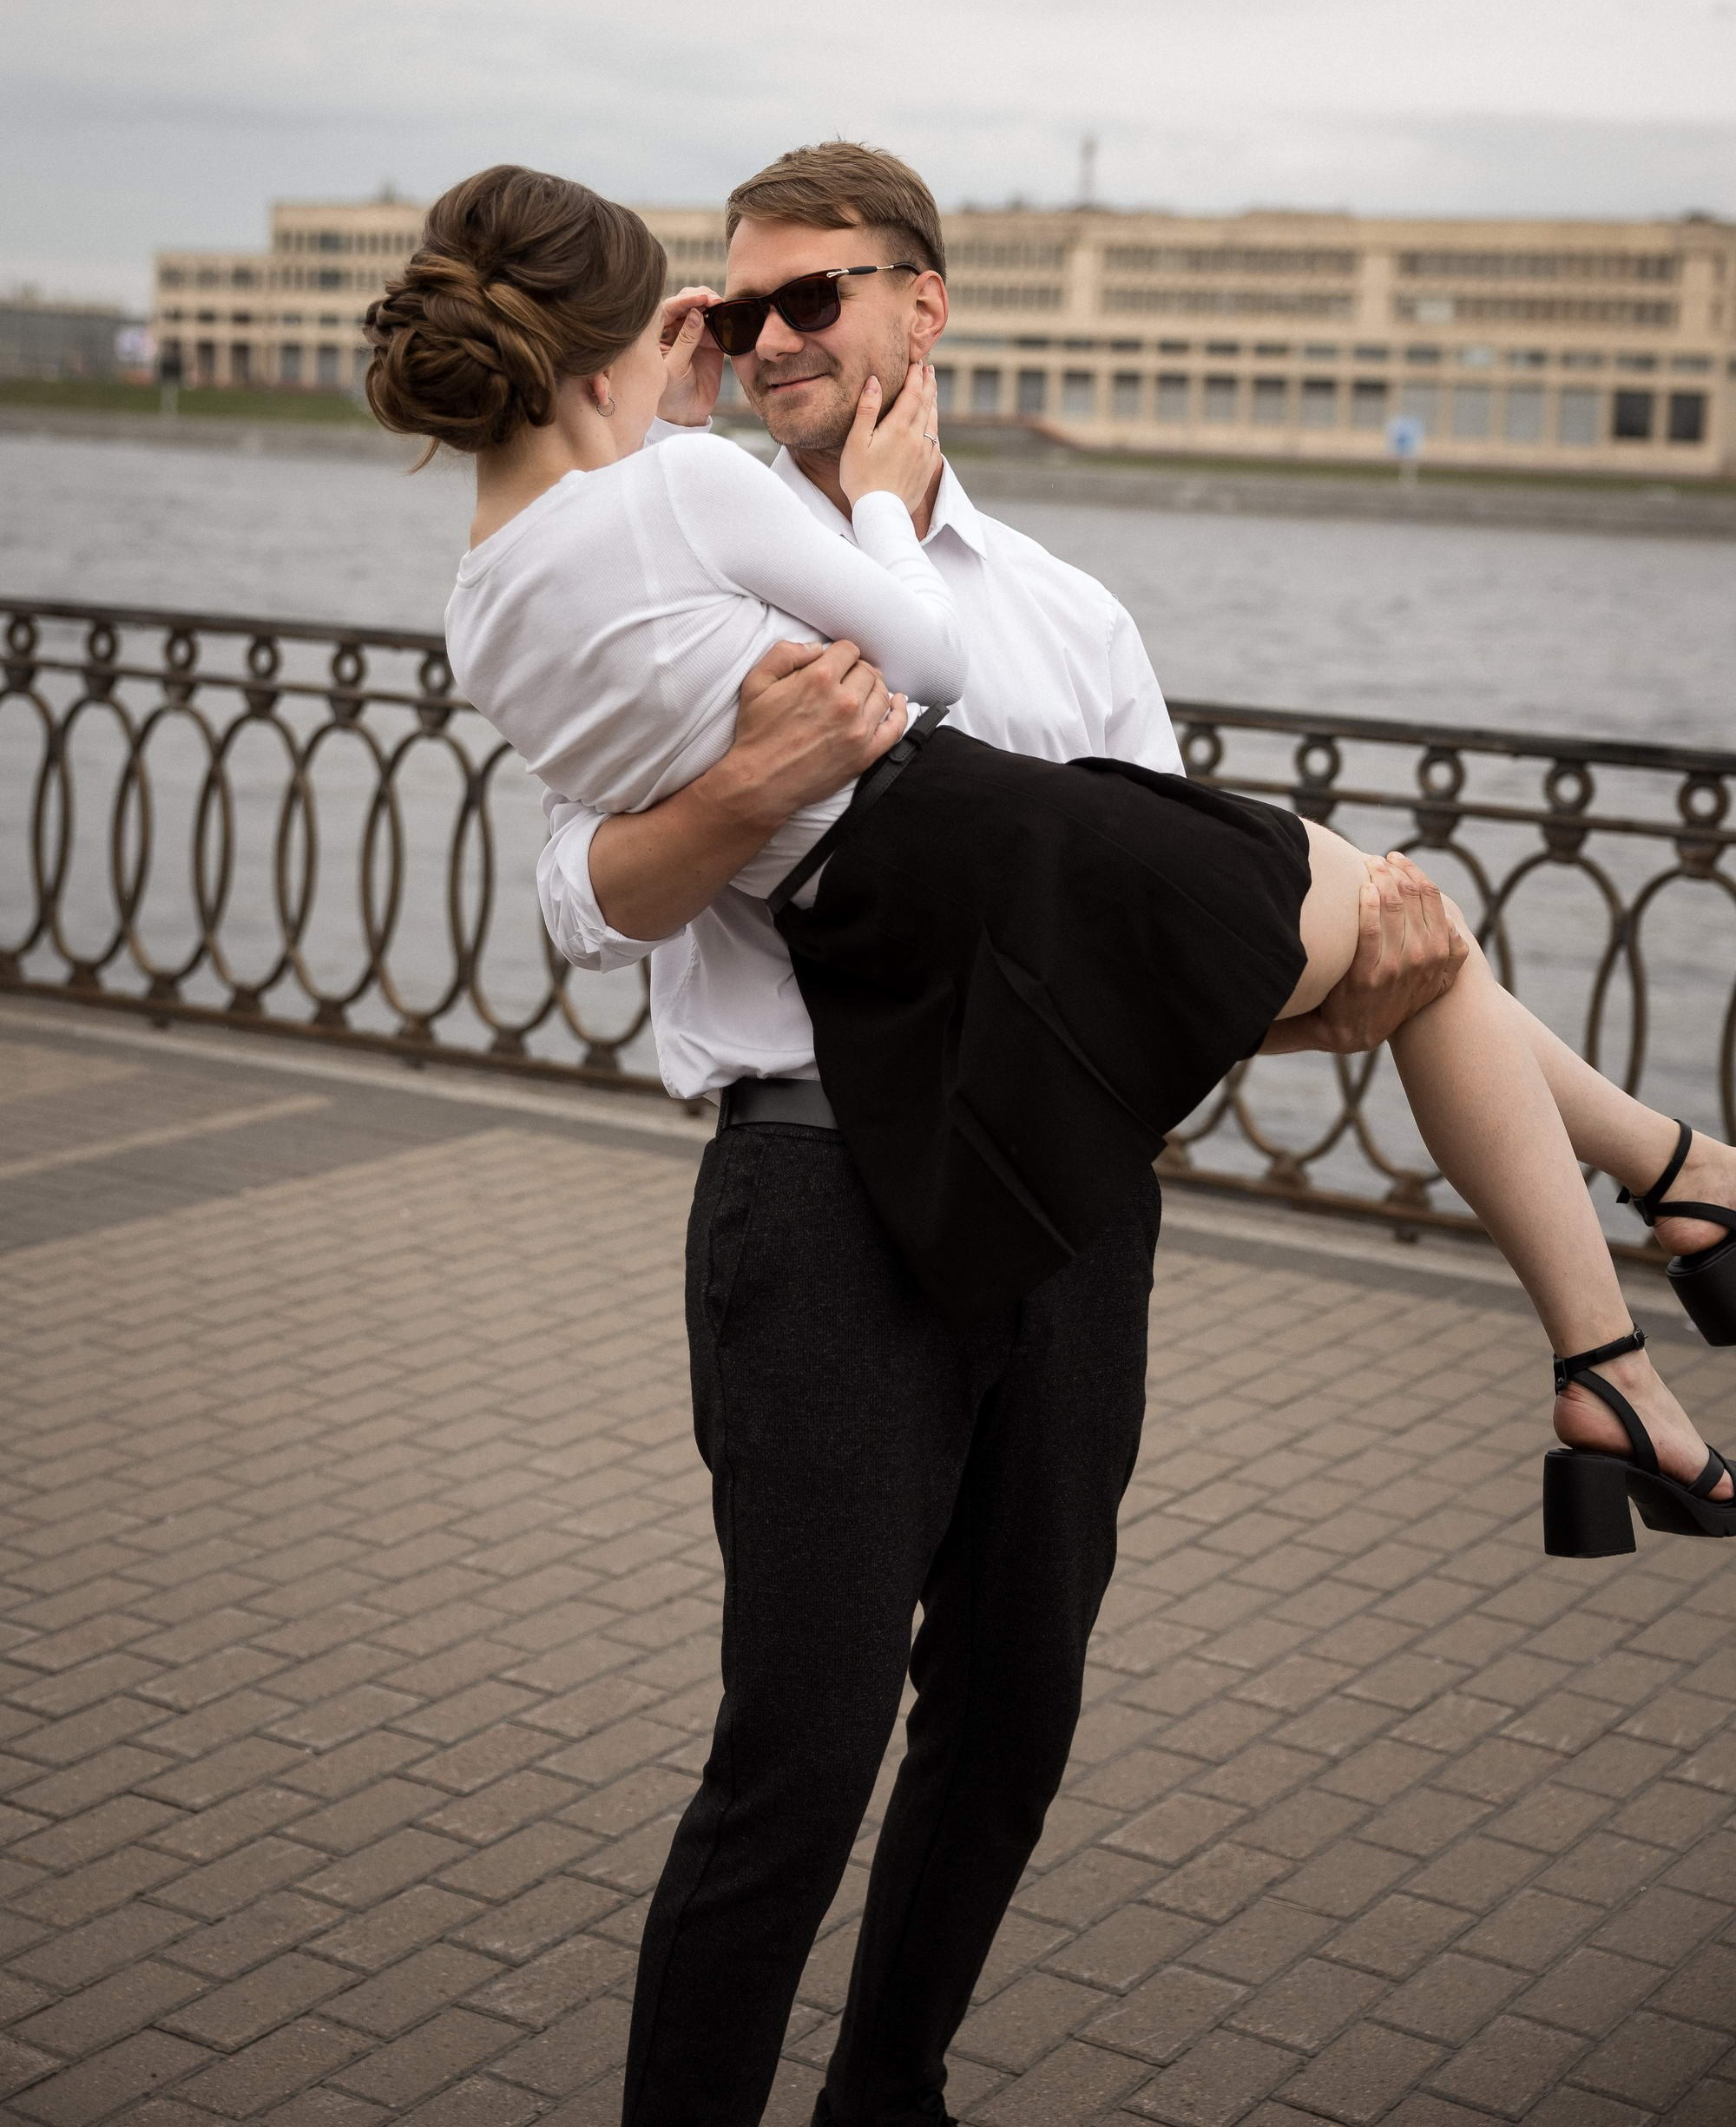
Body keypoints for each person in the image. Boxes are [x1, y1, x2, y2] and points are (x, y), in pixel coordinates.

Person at [365, 151, 1736, 2127]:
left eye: (803, 304)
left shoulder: (1038, 603)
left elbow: (1123, 898)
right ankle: (1656, 1249)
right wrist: (762, 735)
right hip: (824, 1179)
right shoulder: (709, 515)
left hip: (1068, 1170)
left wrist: (1270, 993)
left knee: (1014, 1711)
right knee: (799, 1754)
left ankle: (887, 2096)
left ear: (922, 310)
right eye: (724, 314)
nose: (759, 344)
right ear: (649, 340)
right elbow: (585, 896)